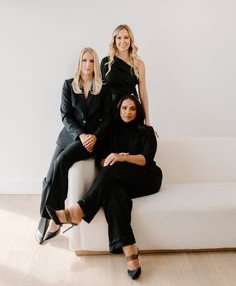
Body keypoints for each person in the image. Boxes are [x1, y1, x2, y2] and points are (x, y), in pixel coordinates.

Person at [46, 94, 163, 280]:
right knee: (115, 194)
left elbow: (144, 159)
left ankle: (78, 211)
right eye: (124, 108)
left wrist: (122, 157)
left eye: (132, 108)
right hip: (119, 179)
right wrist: (110, 158)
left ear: (137, 111)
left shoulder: (146, 131)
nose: (128, 112)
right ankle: (130, 250)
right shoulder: (111, 132)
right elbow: (101, 160)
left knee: (116, 166)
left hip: (147, 178)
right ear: (119, 109)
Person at [35, 47, 112, 244]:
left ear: (96, 64)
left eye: (91, 61)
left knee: (62, 161)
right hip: (70, 136)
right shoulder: (69, 85)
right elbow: (65, 115)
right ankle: (44, 216)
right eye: (84, 60)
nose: (88, 64)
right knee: (51, 174)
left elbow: (108, 118)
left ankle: (55, 219)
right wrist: (80, 134)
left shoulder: (102, 87)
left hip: (92, 140)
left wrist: (93, 136)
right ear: (79, 62)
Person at [101, 24, 151, 125]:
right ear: (114, 41)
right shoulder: (106, 62)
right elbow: (100, 92)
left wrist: (147, 120)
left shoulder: (139, 64)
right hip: (111, 111)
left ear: (130, 40)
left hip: (132, 110)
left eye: (126, 37)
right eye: (119, 38)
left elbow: (143, 94)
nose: (123, 41)